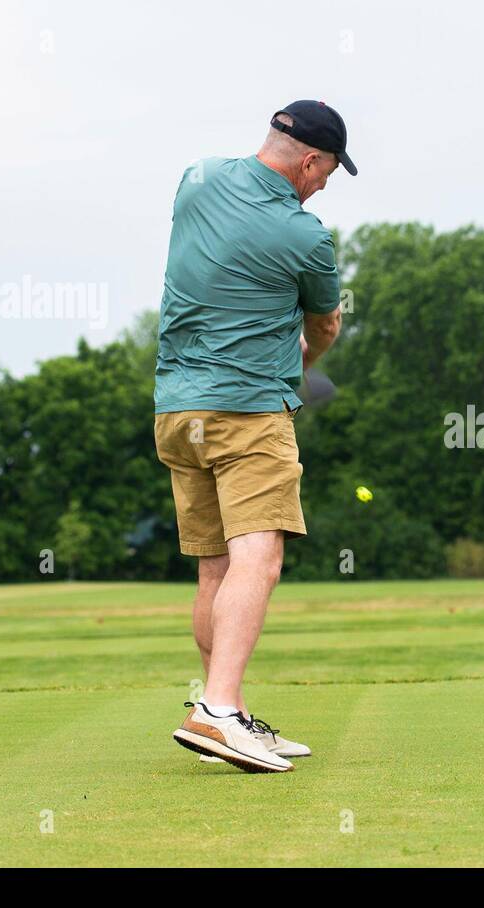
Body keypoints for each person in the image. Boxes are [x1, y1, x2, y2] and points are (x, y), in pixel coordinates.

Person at [154, 100, 355, 772]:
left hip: (179, 413)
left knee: (215, 567)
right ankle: (216, 711)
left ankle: (224, 711)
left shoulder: (198, 177)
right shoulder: (306, 235)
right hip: (247, 414)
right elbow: (324, 325)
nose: (325, 185)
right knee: (259, 560)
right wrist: (300, 358)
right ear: (308, 161)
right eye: (327, 172)